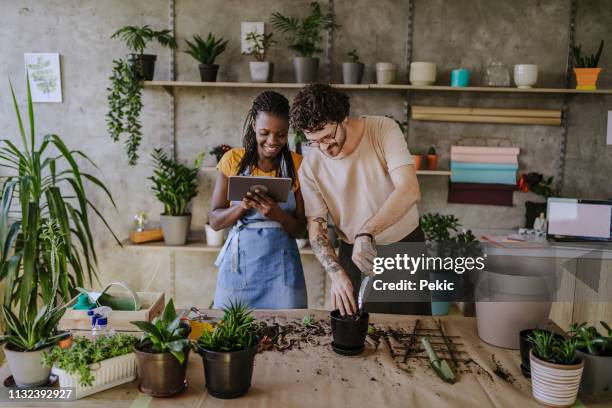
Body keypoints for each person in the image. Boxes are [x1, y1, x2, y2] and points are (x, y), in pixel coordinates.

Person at [291, 84, 424, 316]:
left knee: (411, 334)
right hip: (353, 256)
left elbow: (409, 189)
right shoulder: (310, 166)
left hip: (404, 248)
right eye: (314, 141)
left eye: (328, 136)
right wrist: (335, 272)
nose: (324, 147)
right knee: (359, 336)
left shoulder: (382, 129)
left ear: (343, 117)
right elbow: (317, 227)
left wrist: (367, 232)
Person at [209, 91, 307, 309]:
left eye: (281, 134)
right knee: (231, 335)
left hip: (282, 273)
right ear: (254, 125)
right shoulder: (232, 160)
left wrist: (277, 215)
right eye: (265, 132)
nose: (272, 141)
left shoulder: (297, 164)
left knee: (287, 334)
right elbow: (215, 221)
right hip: (240, 270)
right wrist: (242, 207)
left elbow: (300, 229)